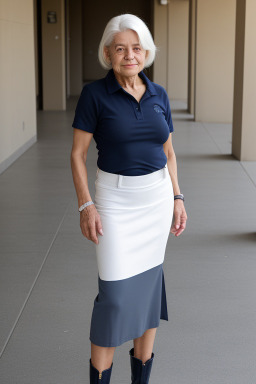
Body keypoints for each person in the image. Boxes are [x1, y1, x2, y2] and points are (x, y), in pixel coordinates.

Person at [70, 13, 187, 384]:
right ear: (108, 53)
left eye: (137, 48)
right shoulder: (94, 95)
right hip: (115, 203)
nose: (129, 55)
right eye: (121, 49)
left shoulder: (159, 95)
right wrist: (86, 204)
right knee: (115, 297)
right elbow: (77, 154)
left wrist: (177, 197)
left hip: (156, 202)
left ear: (147, 51)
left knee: (148, 293)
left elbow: (168, 152)